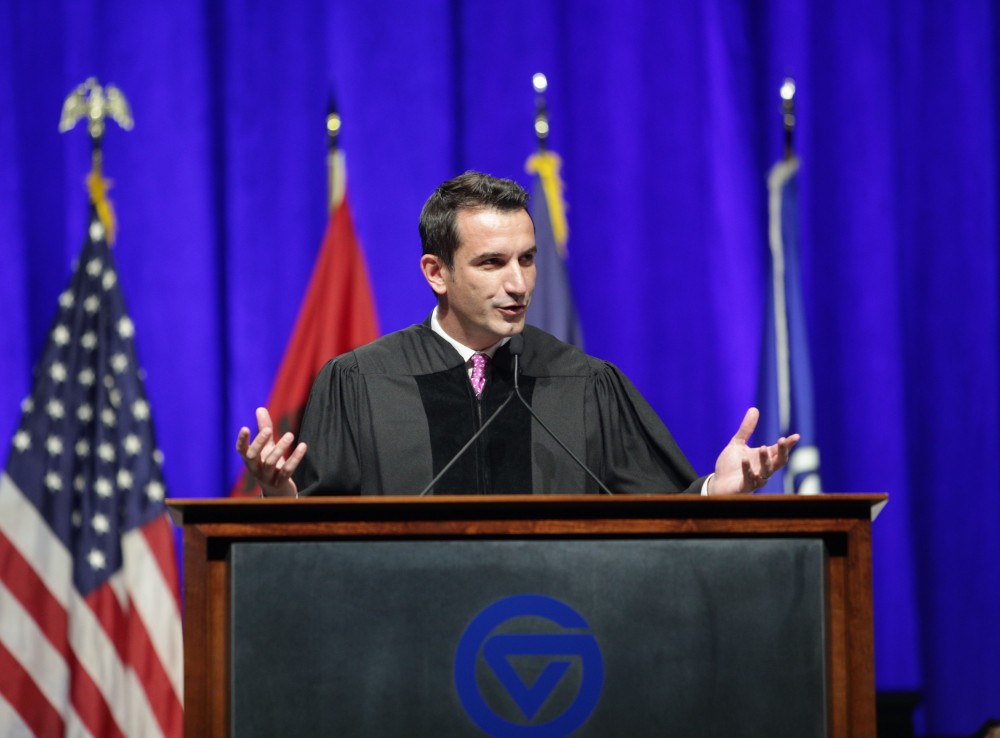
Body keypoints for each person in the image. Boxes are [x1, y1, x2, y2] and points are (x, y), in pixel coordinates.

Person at [236, 171, 798, 497]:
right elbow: (317, 533)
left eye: (527, 259)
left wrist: (711, 493)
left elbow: (653, 517)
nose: (518, 283)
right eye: (491, 263)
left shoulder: (583, 383)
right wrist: (278, 491)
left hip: (557, 650)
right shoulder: (361, 382)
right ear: (436, 272)